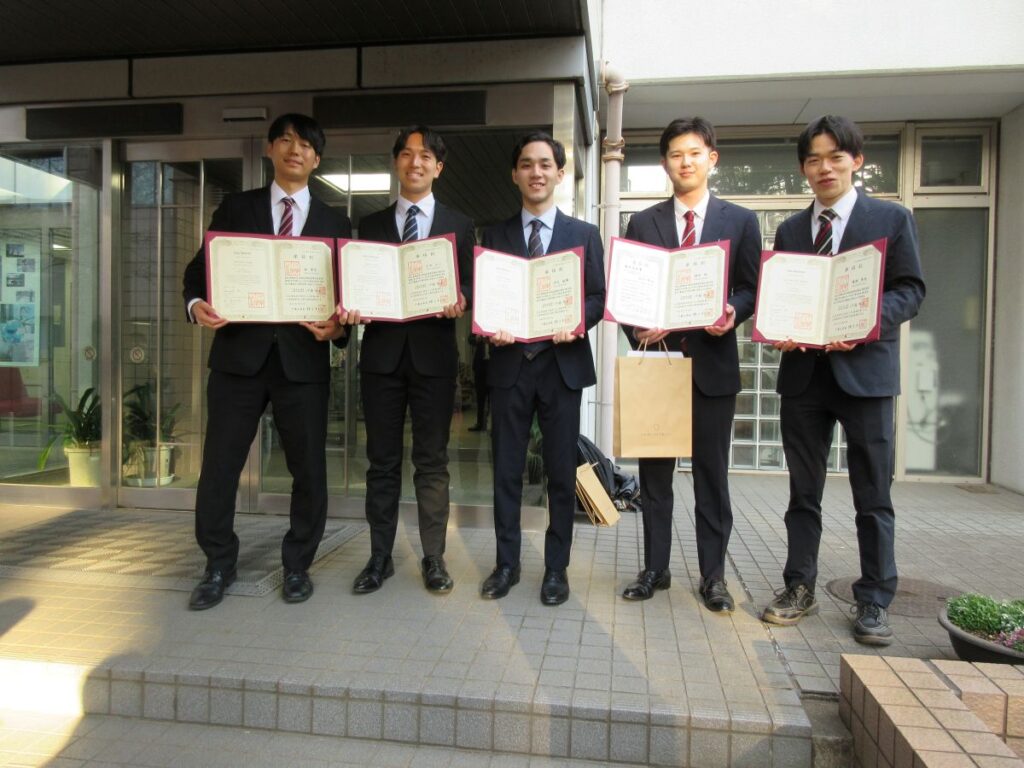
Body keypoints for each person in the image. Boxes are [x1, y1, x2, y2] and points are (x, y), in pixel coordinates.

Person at [760, 115, 925, 646]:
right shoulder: (790, 230)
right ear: (803, 168)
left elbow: (910, 290)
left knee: (873, 494)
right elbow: (783, 296)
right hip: (804, 377)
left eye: (835, 157)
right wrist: (778, 328)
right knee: (802, 492)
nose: (824, 168)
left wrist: (866, 322)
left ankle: (874, 598)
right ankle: (799, 586)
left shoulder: (891, 219)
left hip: (866, 375)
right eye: (813, 159)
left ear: (856, 160)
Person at [182, 113, 351, 610]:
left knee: (309, 470)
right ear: (270, 149)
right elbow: (199, 271)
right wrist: (196, 304)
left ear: (316, 159)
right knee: (220, 466)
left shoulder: (335, 222)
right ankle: (218, 564)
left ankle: (298, 565)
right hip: (238, 358)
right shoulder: (237, 207)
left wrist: (340, 328)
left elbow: (347, 296)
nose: (295, 150)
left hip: (303, 363)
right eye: (286, 141)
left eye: (306, 145)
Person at [619, 117, 761, 611]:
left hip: (713, 369)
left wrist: (733, 311)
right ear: (665, 163)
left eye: (695, 153)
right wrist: (637, 328)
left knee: (711, 479)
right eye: (676, 154)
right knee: (655, 479)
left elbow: (750, 288)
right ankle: (655, 569)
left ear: (711, 159)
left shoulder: (740, 221)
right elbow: (629, 291)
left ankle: (713, 577)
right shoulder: (643, 223)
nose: (686, 162)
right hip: (659, 368)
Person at [345, 126, 475, 595]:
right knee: (381, 462)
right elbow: (355, 281)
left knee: (432, 461)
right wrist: (351, 304)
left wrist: (462, 297)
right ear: (396, 162)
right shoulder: (371, 224)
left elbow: (472, 282)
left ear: (439, 167)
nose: (414, 162)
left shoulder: (460, 225)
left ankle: (434, 557)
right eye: (406, 154)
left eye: (425, 156)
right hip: (380, 358)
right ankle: (379, 557)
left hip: (434, 360)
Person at [479, 131, 605, 606]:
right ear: (515, 174)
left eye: (545, 164)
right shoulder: (495, 235)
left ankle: (556, 569)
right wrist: (490, 327)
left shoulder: (583, 234)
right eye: (527, 164)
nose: (536, 172)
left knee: (560, 473)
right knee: (507, 472)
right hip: (510, 364)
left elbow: (597, 296)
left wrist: (577, 322)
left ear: (560, 173)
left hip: (561, 367)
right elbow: (487, 297)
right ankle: (506, 565)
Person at [468, 334, 489, 432]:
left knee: (495, 398)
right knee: (480, 397)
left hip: (494, 366)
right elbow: (470, 339)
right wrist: (477, 338)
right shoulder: (478, 325)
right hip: (480, 367)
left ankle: (495, 426)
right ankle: (480, 423)